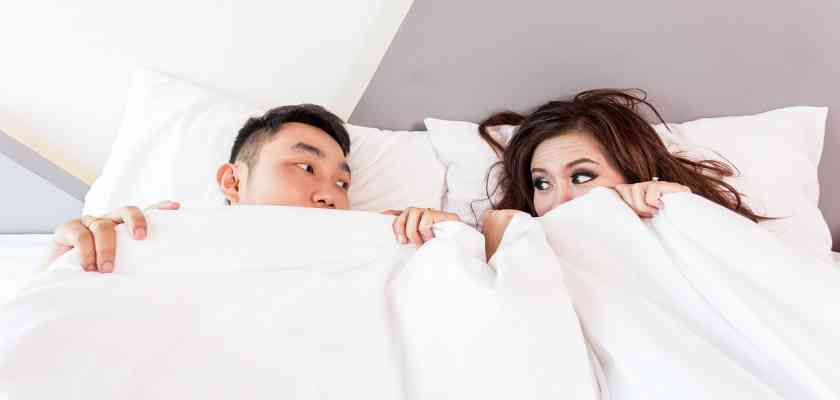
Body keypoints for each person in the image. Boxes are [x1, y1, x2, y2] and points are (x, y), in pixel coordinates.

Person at [48, 104, 459, 273]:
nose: (331, 194)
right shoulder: (158, 230)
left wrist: (446, 238)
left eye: (343, 182)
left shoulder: (379, 244)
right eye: (305, 167)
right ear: (232, 181)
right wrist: (69, 252)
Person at [480, 89, 767, 259]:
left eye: (581, 177)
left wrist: (686, 210)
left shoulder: (680, 235)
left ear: (633, 175)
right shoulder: (521, 249)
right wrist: (498, 246)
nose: (559, 201)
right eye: (542, 183)